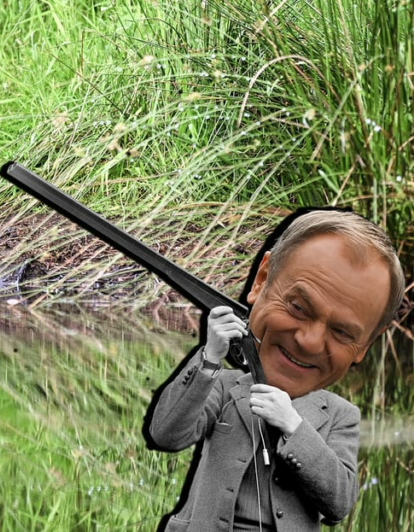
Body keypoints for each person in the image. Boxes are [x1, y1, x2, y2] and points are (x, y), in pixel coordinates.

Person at [144, 209, 406, 531]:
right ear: (262, 279)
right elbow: (167, 435)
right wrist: (211, 356)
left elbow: (339, 504)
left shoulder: (340, 416)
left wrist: (294, 426)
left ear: (365, 345)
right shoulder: (223, 386)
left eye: (342, 332)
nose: (309, 342)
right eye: (297, 307)